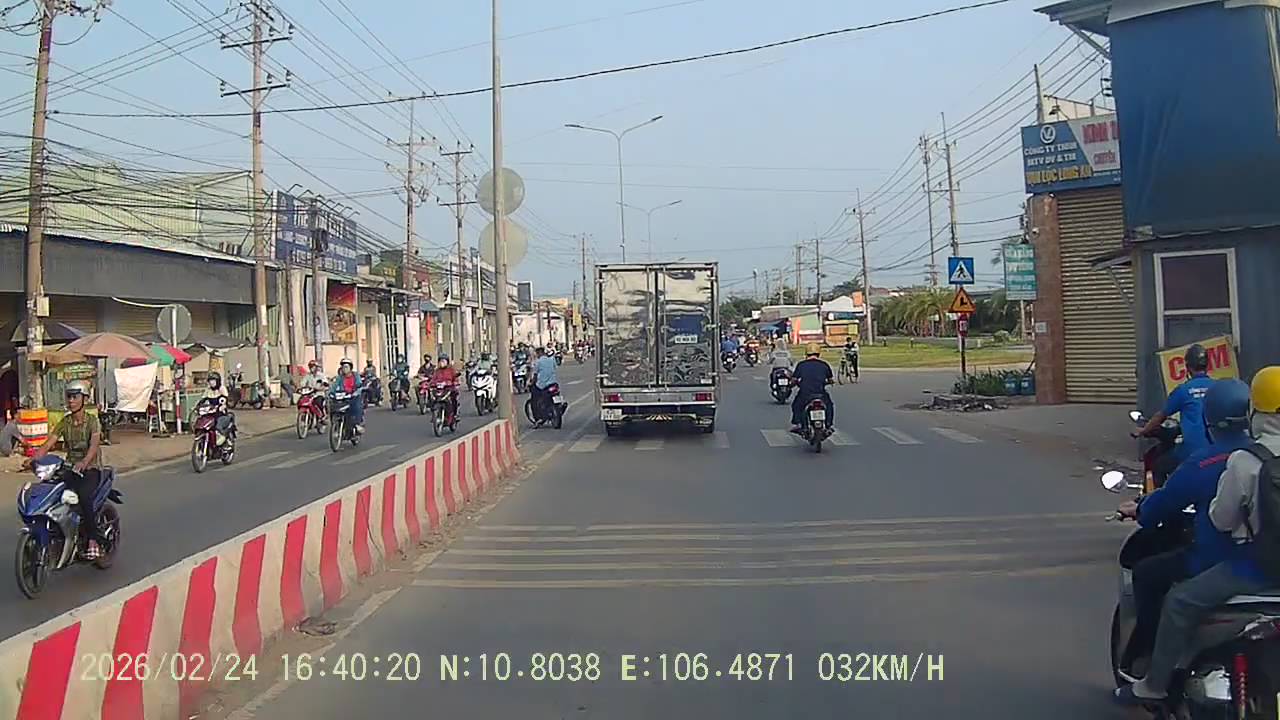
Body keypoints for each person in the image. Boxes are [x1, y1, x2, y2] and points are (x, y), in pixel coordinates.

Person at [1115, 367, 1280, 706]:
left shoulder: (1238, 461)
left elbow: (1221, 520)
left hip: (1252, 570)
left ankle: (1155, 684)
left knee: (1178, 601)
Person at [34, 380, 105, 556]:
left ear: (84, 399)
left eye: (75, 397)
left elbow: (94, 446)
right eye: (69, 397)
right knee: (50, 490)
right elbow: (48, 443)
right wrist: (34, 459)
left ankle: (93, 539)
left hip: (91, 469)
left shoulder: (92, 421)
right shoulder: (65, 422)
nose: (71, 401)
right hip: (70, 468)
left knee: (84, 496)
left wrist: (85, 462)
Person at [1136, 344, 1215, 485]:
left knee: (1158, 466)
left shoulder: (1183, 390)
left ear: (1188, 367)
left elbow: (1160, 416)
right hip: (1215, 450)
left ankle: (1159, 498)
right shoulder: (1217, 387)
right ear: (1207, 365)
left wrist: (1143, 431)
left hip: (1191, 451)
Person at [789, 343, 834, 431]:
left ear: (806, 353)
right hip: (820, 393)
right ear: (819, 353)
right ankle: (828, 424)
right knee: (829, 405)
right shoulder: (824, 365)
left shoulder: (801, 365)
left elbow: (794, 379)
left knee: (796, 405)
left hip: (805, 394)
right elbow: (830, 379)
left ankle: (798, 423)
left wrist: (792, 384)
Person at [327, 358, 365, 434]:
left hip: (353, 396)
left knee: (356, 406)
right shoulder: (340, 377)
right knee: (333, 406)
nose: (344, 369)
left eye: (346, 367)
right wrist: (331, 393)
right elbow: (334, 386)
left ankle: (357, 424)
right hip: (343, 396)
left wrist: (356, 392)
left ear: (350, 368)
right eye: (343, 367)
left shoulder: (355, 376)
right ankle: (335, 424)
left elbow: (359, 385)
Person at [201, 371, 235, 443]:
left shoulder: (222, 388)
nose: (211, 383)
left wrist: (221, 406)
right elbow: (203, 399)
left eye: (213, 380)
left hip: (221, 413)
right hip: (210, 413)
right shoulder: (208, 390)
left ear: (218, 381)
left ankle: (222, 438)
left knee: (218, 426)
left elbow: (224, 399)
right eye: (210, 381)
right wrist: (198, 406)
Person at [531, 346, 560, 419]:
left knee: (534, 399)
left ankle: (537, 417)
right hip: (553, 383)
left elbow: (535, 374)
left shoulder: (538, 362)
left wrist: (532, 383)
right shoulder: (551, 360)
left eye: (537, 354)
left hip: (542, 385)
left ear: (539, 353)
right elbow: (555, 368)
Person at [428, 354, 461, 419]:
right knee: (433, 399)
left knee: (453, 399)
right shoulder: (437, 371)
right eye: (440, 361)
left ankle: (455, 414)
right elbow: (433, 379)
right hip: (439, 389)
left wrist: (455, 383)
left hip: (449, 389)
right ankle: (434, 415)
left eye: (443, 361)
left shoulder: (451, 370)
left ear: (447, 362)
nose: (441, 363)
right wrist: (431, 384)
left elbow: (455, 378)